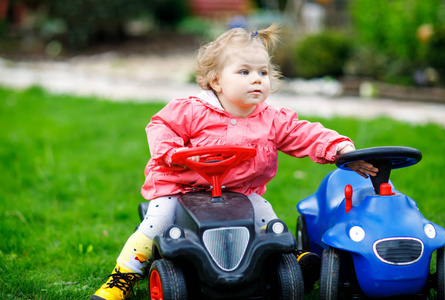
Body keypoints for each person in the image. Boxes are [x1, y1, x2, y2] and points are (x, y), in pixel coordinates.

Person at [91, 23, 378, 300]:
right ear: (216, 81)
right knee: (156, 223)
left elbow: (302, 133)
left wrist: (336, 146)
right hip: (181, 190)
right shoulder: (193, 110)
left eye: (263, 72)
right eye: (245, 71)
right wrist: (171, 152)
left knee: (268, 220)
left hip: (240, 193)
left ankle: (289, 259)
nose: (257, 78)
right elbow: (161, 126)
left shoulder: (270, 119)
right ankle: (123, 276)